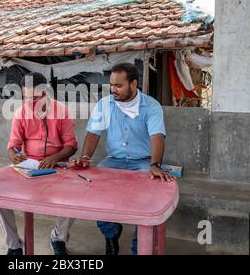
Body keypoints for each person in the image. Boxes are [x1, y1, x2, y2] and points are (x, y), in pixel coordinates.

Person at [69, 63, 175, 255]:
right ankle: (111, 233)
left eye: (119, 85)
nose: (113, 89)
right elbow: (93, 133)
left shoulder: (151, 106)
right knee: (92, 189)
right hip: (114, 161)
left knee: (148, 198)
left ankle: (138, 247)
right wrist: (85, 157)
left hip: (143, 162)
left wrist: (155, 164)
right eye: (111, 84)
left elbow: (157, 135)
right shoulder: (104, 104)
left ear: (134, 84)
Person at [0, 72, 78, 255]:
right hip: (29, 166)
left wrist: (54, 158)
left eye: (34, 97)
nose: (30, 101)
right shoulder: (20, 113)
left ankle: (58, 237)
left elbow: (71, 146)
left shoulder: (62, 111)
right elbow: (12, 146)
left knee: (75, 196)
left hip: (58, 166)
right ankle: (14, 244)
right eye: (26, 97)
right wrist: (14, 156)